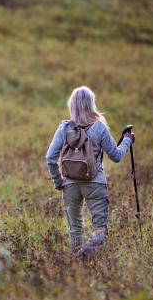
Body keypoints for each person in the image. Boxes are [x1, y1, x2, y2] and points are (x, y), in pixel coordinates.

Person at [45, 86, 135, 256]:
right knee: (100, 229)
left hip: (69, 185)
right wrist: (127, 141)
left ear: (71, 105)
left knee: (75, 230)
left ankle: (77, 265)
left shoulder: (64, 128)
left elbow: (50, 158)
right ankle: (84, 257)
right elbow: (115, 156)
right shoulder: (99, 128)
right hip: (95, 183)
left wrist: (58, 182)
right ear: (91, 105)